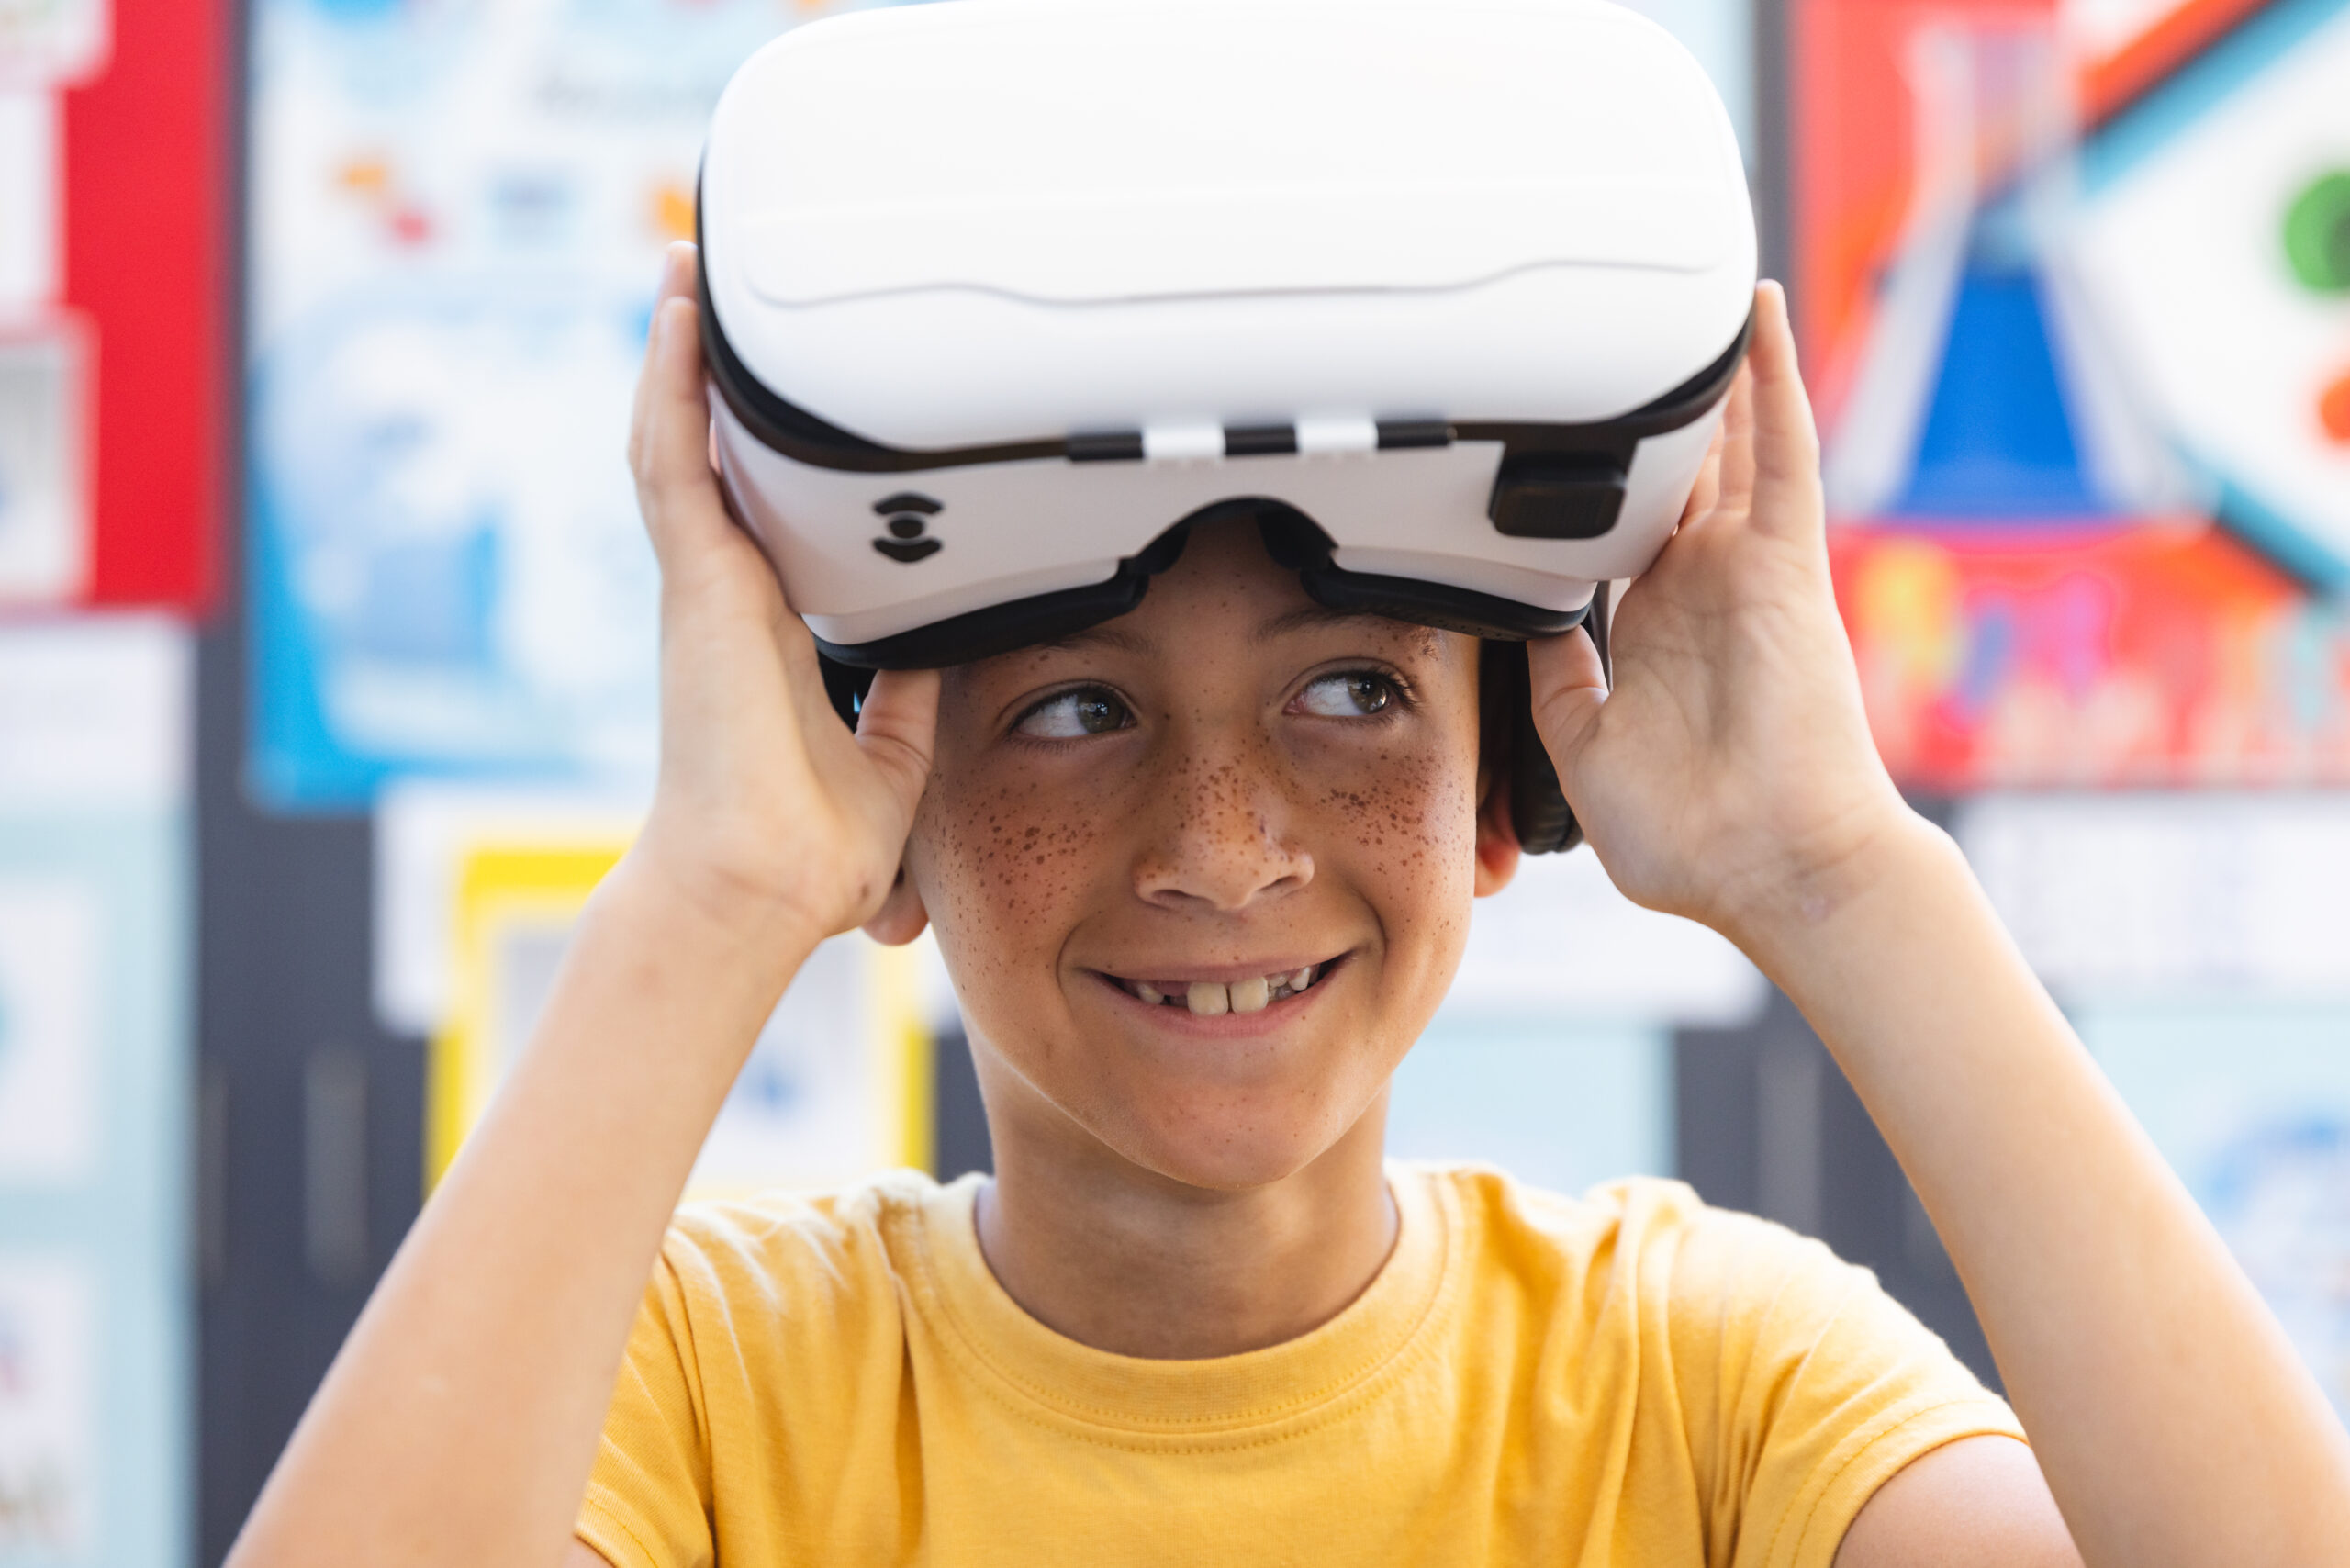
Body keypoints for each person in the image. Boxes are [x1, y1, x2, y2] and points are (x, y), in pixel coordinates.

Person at [228, 244, 2350, 1567]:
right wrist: (702, 902)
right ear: (888, 813)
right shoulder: (701, 1377)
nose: (1224, 843)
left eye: (1350, 694)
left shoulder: (1699, 1375)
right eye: (1069, 709)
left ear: (1502, 790)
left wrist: (1837, 871)